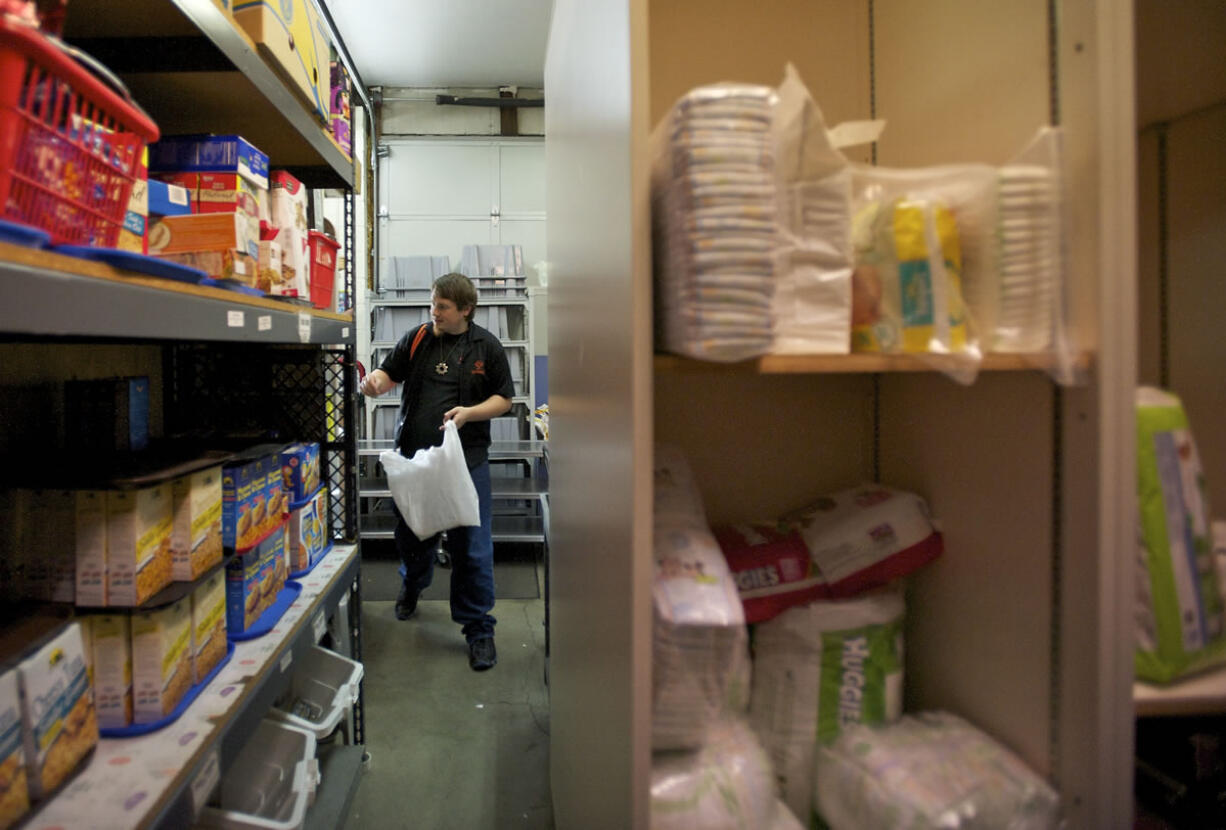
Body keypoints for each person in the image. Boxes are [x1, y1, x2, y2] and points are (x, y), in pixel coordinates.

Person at [360, 273, 513, 671]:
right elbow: (386, 374)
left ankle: (479, 630)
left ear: (465, 309)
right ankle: (412, 586)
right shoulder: (416, 338)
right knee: (413, 538)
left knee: (473, 549)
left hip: (467, 463)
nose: (434, 312)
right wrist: (375, 383)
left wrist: (469, 414)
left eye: (442, 307)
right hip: (417, 465)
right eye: (433, 304)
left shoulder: (487, 347)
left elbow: (504, 399)